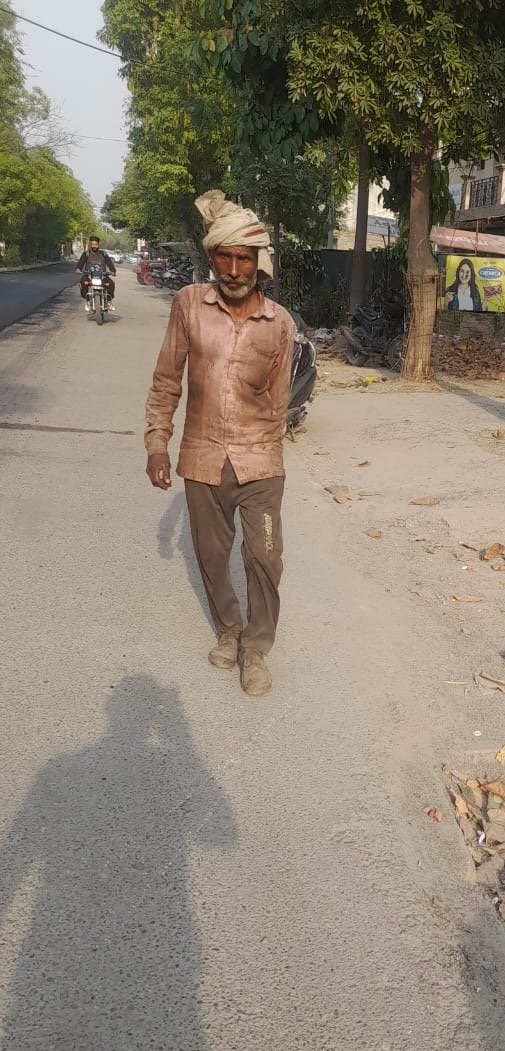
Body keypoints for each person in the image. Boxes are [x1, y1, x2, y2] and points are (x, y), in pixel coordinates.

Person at [144, 190, 295, 697]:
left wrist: (271, 455)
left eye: (243, 258)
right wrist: (157, 443)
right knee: (211, 555)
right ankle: (229, 630)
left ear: (258, 261)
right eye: (224, 257)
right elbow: (167, 379)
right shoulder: (189, 305)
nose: (233, 270)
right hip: (203, 456)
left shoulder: (279, 323)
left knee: (265, 556)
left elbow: (279, 401)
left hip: (260, 461)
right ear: (212, 258)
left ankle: (256, 647)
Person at [75, 236, 116, 310]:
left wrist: (113, 271)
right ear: (90, 245)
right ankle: (87, 300)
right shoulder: (86, 254)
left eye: (96, 244)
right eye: (93, 244)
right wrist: (78, 269)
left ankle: (109, 301)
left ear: (98, 245)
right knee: (83, 283)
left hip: (102, 276)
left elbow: (110, 263)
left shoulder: (103, 254)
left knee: (111, 284)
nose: (94, 246)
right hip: (89, 275)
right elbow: (80, 263)